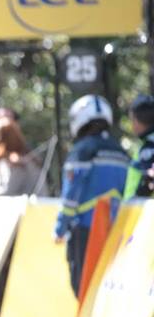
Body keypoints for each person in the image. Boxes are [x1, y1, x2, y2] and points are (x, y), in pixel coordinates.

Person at [54, 95, 130, 295]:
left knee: (83, 286)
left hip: (85, 229)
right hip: (115, 229)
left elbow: (71, 195)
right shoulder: (121, 152)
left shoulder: (82, 151)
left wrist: (60, 227)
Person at [126, 94, 154, 199]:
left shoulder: (149, 147)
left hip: (141, 208)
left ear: (137, 121)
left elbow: (149, 180)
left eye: (132, 120)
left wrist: (137, 198)